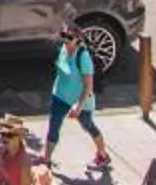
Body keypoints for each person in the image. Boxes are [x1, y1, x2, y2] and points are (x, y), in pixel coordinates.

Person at [45, 24, 114, 174]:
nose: (65, 40)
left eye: (69, 37)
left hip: (80, 100)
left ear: (77, 39)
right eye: (63, 35)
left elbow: (88, 86)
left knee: (87, 125)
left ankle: (102, 155)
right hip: (60, 96)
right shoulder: (62, 49)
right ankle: (46, 160)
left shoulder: (83, 56)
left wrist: (78, 106)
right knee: (53, 125)